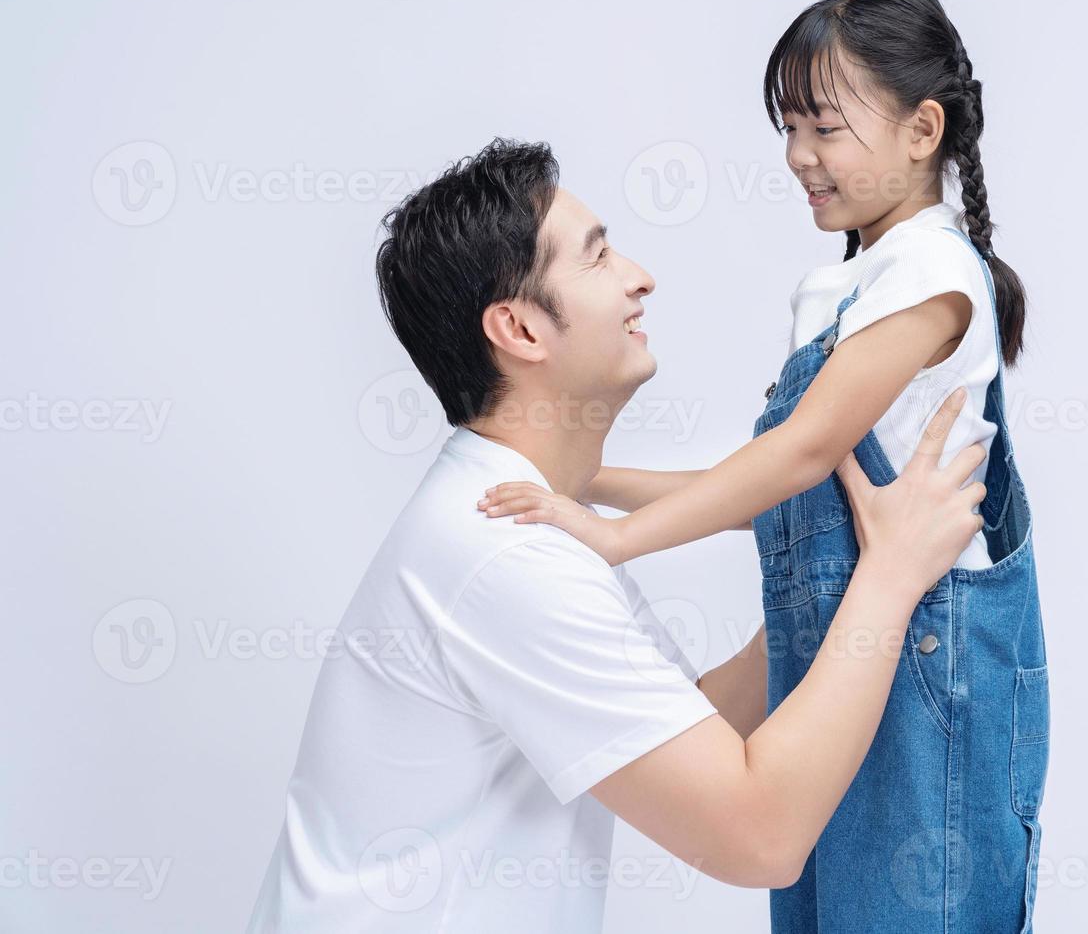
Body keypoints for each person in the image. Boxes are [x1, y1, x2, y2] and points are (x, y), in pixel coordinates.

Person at [244, 137, 987, 933]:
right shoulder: (508, 555)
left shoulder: (525, 521)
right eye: (597, 259)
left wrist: (845, 570)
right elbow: (760, 837)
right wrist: (891, 578)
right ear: (521, 330)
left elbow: (697, 721)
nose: (640, 277)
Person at [478, 0, 1050, 932]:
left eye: (824, 126)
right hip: (845, 673)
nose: (797, 156)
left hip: (931, 679)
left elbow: (805, 449)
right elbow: (782, 493)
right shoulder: (846, 286)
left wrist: (615, 541)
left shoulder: (936, 275)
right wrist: (589, 486)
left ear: (922, 131)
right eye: (789, 127)